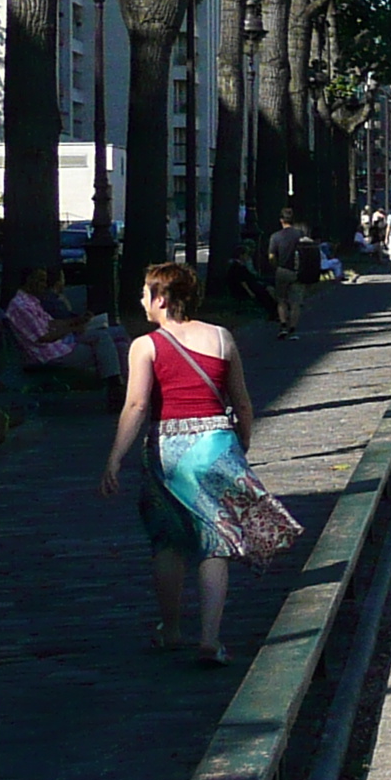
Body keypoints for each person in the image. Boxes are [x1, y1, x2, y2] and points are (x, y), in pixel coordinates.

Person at [100, 261, 275, 666]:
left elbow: (138, 404)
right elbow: (242, 400)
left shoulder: (146, 346)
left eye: (146, 293)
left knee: (169, 540)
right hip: (216, 444)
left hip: (169, 447)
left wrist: (114, 458)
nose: (142, 300)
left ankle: (173, 627)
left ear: (162, 298)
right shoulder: (221, 338)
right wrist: (241, 442)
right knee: (216, 543)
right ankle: (210, 637)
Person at [1, 262, 124, 384]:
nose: (44, 285)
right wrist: (72, 329)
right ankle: (115, 386)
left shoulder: (30, 300)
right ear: (29, 280)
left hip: (61, 345)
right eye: (41, 280)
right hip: (49, 355)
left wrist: (77, 320)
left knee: (117, 343)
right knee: (110, 345)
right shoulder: (21, 306)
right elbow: (44, 337)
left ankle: (121, 386)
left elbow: (51, 323)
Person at [266, 207, 316, 340]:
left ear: (281, 220)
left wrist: (276, 267)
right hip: (298, 271)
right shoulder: (300, 235)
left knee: (281, 300)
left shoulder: (275, 237)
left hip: (282, 270)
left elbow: (271, 256)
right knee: (295, 302)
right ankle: (293, 328)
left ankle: (283, 325)